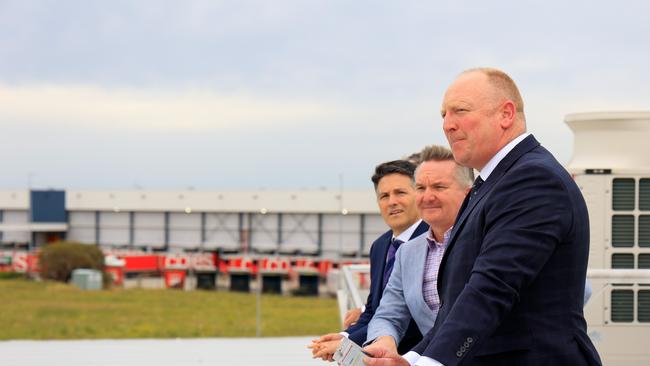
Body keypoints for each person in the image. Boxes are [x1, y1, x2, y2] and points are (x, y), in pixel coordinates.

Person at [364, 68, 602, 366]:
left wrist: (430, 363)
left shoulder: (533, 178)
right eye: (443, 115)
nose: (448, 125)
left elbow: (492, 287)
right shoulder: (490, 185)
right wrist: (412, 359)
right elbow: (455, 306)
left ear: (505, 114)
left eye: (460, 111)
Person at [310, 160, 429, 360]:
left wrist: (350, 343)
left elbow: (411, 318)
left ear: (418, 194)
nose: (392, 201)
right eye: (384, 196)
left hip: (421, 355)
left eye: (400, 193)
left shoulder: (433, 240)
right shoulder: (380, 246)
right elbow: (375, 308)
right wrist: (345, 336)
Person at [364, 145, 473, 354]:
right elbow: (388, 314)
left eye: (439, 187)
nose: (427, 197)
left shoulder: (485, 242)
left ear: (468, 194)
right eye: (421, 188)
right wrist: (383, 340)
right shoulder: (408, 253)